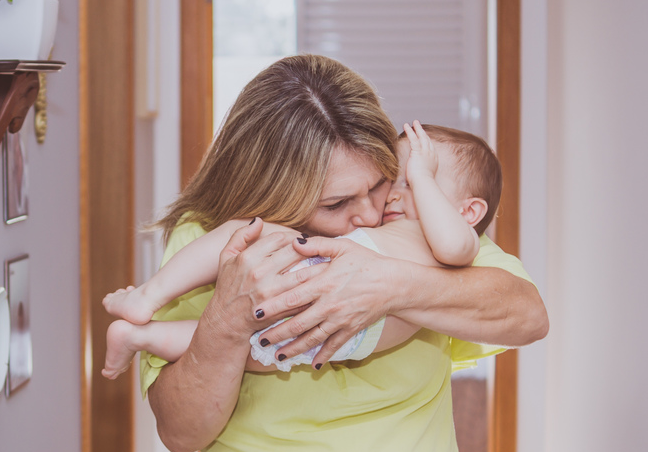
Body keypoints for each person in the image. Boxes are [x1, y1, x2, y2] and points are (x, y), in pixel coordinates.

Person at [139, 54, 547, 452]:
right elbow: (180, 431)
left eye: (378, 186)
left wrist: (391, 284)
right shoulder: (211, 243)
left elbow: (525, 314)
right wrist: (225, 319)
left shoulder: (411, 223)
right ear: (272, 197)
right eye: (337, 203)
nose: (367, 214)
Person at [101, 120, 500, 379]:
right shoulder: (386, 224)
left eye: (414, 182)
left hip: (343, 330)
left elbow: (455, 249)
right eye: (393, 179)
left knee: (246, 347)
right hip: (319, 268)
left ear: (470, 210)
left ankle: (147, 337)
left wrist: (422, 176)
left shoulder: (459, 242)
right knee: (244, 237)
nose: (394, 195)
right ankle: (145, 299)